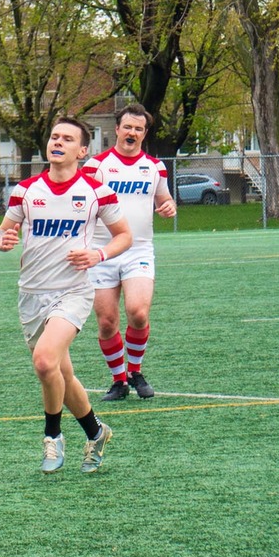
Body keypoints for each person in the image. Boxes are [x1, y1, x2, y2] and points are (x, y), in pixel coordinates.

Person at [0, 116, 133, 474]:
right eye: (54, 136)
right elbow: (2, 232)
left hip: (73, 292)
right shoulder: (25, 191)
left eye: (67, 138)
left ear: (82, 150)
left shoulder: (96, 192)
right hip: (31, 295)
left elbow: (124, 236)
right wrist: (3, 240)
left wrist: (98, 255)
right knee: (62, 374)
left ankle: (53, 436)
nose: (57, 142)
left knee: (44, 362)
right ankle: (96, 431)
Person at [88, 104, 177, 400]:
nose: (132, 133)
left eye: (139, 129)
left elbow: (164, 200)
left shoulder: (155, 167)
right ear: (117, 129)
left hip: (138, 249)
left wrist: (169, 207)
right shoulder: (96, 166)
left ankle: (135, 371)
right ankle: (119, 381)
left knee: (138, 313)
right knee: (106, 322)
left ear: (144, 133)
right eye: (128, 127)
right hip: (103, 251)